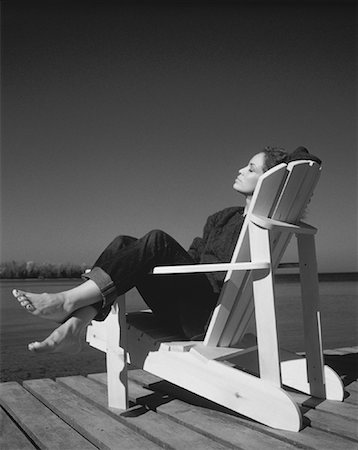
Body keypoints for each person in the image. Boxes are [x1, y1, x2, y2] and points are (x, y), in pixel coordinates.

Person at [12, 146, 321, 354]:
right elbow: (187, 260)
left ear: (269, 180)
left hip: (207, 318)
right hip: (184, 305)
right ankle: (78, 321)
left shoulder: (263, 228)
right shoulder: (222, 217)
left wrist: (292, 166)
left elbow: (306, 160)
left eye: (251, 169)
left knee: (156, 239)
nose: (241, 169)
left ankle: (68, 301)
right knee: (123, 242)